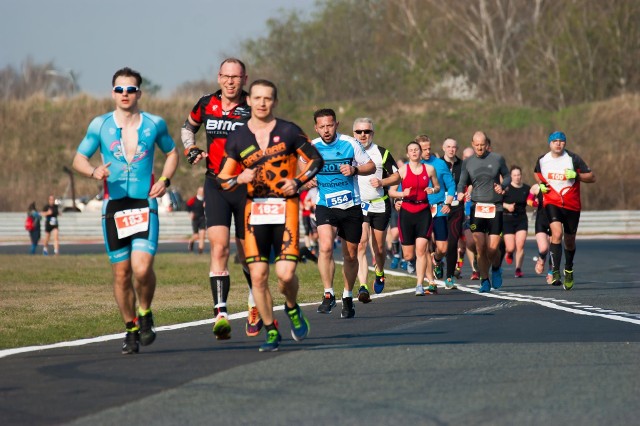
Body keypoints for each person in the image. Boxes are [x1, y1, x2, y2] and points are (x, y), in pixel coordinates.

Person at [72, 66, 179, 354]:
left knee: (142, 269)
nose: (125, 94)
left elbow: (172, 152)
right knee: (121, 274)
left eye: (130, 89)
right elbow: (79, 158)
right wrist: (93, 171)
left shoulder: (154, 123)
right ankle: (130, 326)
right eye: (119, 89)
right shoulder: (100, 125)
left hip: (145, 203)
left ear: (139, 93)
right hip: (115, 205)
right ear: (112, 92)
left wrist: (166, 181)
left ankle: (145, 312)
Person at [216, 79, 324, 351]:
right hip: (254, 212)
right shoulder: (238, 137)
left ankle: (292, 307)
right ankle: (271, 330)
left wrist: (298, 182)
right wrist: (240, 176)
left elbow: (315, 160)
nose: (262, 103)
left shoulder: (289, 131)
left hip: (285, 209)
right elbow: (223, 179)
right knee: (259, 277)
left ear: (274, 102)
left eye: (268, 98)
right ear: (249, 101)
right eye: (257, 98)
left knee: (285, 276)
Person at [180, 58, 262, 339]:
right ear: (218, 77)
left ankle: (254, 303)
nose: (230, 81)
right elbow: (187, 128)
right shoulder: (205, 104)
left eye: (236, 77)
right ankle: (221, 313)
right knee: (219, 250)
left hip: (246, 188)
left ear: (244, 79)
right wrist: (190, 149)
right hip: (215, 184)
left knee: (245, 253)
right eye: (226, 76)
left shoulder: (253, 106)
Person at [311, 108, 375, 318]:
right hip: (325, 204)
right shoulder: (312, 147)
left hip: (351, 206)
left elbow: (371, 166)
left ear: (336, 124)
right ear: (316, 128)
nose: (326, 130)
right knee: (326, 246)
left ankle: (347, 296)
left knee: (350, 254)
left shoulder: (350, 143)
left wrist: (355, 170)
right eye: (322, 126)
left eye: (330, 125)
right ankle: (328, 294)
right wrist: (306, 179)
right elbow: (298, 171)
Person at [373, 141, 440, 295]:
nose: (414, 152)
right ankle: (412, 264)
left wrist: (432, 189)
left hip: (423, 210)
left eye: (417, 150)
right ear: (408, 153)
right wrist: (403, 194)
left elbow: (437, 186)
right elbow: (391, 192)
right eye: (411, 150)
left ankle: (419, 285)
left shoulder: (429, 169)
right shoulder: (402, 171)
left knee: (422, 249)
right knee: (409, 254)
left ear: (420, 152)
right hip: (407, 212)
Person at [534, 131, 595, 289]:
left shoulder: (573, 159)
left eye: (561, 141)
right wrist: (541, 184)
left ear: (565, 143)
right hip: (552, 201)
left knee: (569, 241)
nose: (558, 144)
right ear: (550, 143)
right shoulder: (543, 160)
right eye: (555, 141)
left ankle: (568, 268)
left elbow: (592, 177)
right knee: (556, 233)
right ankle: (555, 271)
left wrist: (577, 175)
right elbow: (536, 173)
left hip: (572, 204)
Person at [457, 131, 511, 293]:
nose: (480, 148)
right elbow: (462, 182)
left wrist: (502, 186)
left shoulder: (497, 159)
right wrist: (460, 192)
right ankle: (484, 280)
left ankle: (496, 268)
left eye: (482, 145)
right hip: (477, 207)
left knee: (492, 248)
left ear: (487, 144)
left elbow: (507, 176)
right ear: (473, 144)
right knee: (480, 248)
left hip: (495, 207)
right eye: (477, 145)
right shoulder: (468, 162)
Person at [353, 117, 398, 301]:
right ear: (354, 133)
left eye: (367, 131)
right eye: (359, 132)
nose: (363, 135)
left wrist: (382, 182)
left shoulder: (382, 152)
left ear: (373, 133)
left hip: (379, 203)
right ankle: (363, 287)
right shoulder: (349, 151)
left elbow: (397, 177)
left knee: (378, 248)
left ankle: (380, 272)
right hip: (359, 205)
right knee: (361, 243)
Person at [416, 135, 456, 293]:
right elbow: (402, 186)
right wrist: (398, 202)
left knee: (443, 247)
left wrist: (448, 203)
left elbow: (451, 185)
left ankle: (437, 260)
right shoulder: (413, 166)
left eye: (428, 148)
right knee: (424, 246)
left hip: (439, 208)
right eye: (423, 149)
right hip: (420, 208)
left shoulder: (439, 164)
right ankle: (431, 281)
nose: (426, 152)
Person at [441, 138, 465, 287]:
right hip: (439, 207)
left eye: (454, 147)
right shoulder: (437, 164)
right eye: (448, 147)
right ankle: (437, 260)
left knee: (452, 243)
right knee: (438, 245)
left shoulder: (463, 165)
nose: (451, 150)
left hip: (456, 208)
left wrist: (465, 192)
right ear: (443, 148)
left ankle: (449, 276)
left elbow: (469, 182)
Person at [502, 166, 531, 278]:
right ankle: (509, 253)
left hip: (521, 219)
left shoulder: (526, 188)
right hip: (507, 219)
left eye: (518, 175)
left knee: (520, 244)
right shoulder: (506, 188)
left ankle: (518, 269)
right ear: (511, 176)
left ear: (521, 175)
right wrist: (507, 206)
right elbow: (498, 202)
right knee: (510, 247)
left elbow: (531, 200)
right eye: (514, 175)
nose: (517, 177)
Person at [527, 183, 552, 278]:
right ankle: (541, 259)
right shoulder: (536, 187)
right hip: (541, 221)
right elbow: (529, 200)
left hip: (554, 221)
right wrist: (534, 203)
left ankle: (551, 272)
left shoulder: (558, 186)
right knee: (543, 248)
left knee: (554, 249)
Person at [186, 186, 206, 254]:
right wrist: (190, 213)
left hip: (203, 218)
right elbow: (188, 206)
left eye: (202, 191)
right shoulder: (193, 199)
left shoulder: (206, 199)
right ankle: (191, 241)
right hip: (195, 219)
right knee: (196, 236)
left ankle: (200, 252)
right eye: (200, 191)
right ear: (197, 191)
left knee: (202, 235)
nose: (201, 192)